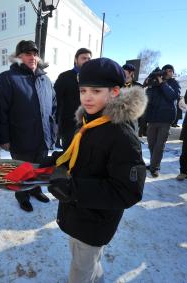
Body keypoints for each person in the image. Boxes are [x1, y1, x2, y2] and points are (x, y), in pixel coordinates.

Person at [46, 58, 147, 283]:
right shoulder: (87, 121)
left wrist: (74, 190)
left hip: (95, 221)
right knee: (87, 261)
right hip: (77, 213)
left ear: (114, 92)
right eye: (83, 90)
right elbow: (80, 154)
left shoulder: (122, 135)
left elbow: (127, 191)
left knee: (80, 271)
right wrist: (56, 161)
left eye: (95, 90)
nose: (87, 97)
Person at [0, 40, 57, 212]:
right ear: (18, 57)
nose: (33, 57)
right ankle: (22, 196)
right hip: (21, 137)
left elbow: (53, 107)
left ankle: (36, 190)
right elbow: (1, 111)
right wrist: (4, 138)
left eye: (35, 53)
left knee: (40, 167)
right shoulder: (7, 78)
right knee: (22, 170)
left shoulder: (45, 79)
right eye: (28, 53)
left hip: (43, 136)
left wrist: (52, 131)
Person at [144, 64, 180, 177]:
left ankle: (155, 167)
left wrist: (162, 83)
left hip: (165, 118)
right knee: (151, 144)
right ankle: (153, 163)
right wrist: (150, 84)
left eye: (171, 71)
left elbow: (173, 96)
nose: (168, 73)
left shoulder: (174, 83)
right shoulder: (155, 83)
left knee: (159, 145)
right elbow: (149, 98)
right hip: (153, 118)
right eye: (166, 71)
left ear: (173, 73)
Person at [54, 48, 92, 150]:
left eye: (89, 59)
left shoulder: (92, 78)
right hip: (69, 126)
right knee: (69, 156)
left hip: (88, 125)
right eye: (84, 58)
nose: (87, 61)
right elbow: (55, 101)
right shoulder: (64, 77)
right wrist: (56, 124)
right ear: (76, 59)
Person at [122, 63, 145, 136]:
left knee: (131, 137)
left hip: (133, 118)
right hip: (119, 116)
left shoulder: (138, 87)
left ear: (131, 73)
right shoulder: (118, 85)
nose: (122, 73)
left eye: (124, 71)